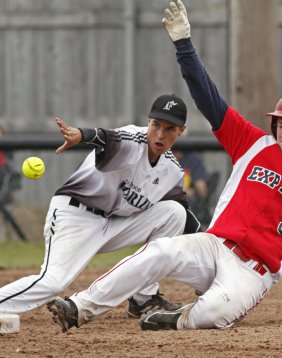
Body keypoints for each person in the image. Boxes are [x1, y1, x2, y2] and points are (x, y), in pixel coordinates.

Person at [47, 1, 282, 333]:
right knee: (160, 251)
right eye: (280, 123)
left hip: (253, 272)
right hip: (213, 245)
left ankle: (175, 319)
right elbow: (208, 98)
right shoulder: (254, 144)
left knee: (215, 315)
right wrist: (184, 46)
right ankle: (79, 307)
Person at [0, 93, 200, 320]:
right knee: (53, 282)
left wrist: (213, 247)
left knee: (174, 213)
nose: (160, 134)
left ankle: (143, 300)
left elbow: (188, 218)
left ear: (181, 131)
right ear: (148, 121)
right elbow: (107, 137)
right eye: (156, 125)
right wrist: (81, 135)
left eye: (170, 128)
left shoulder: (171, 171)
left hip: (112, 224)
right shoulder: (133, 140)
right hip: (75, 215)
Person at [173, 150, 211, 228]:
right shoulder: (162, 156)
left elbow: (202, 189)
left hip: (189, 201)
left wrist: (197, 188)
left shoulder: (192, 159)